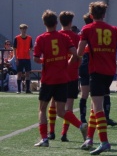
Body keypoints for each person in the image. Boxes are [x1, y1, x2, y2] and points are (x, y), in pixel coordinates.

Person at [77, 1, 117, 155]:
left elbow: (79, 52)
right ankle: (89, 139)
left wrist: (71, 64)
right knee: (95, 105)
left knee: (97, 106)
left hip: (96, 71)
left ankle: (104, 142)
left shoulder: (87, 29)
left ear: (91, 15)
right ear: (105, 14)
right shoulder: (114, 29)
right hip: (109, 72)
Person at [33, 10, 87, 147]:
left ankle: (45, 139)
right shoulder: (64, 38)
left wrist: (45, 60)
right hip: (63, 78)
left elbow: (36, 58)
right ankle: (81, 126)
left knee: (42, 109)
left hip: (48, 79)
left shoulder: (41, 38)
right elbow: (75, 55)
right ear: (56, 23)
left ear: (44, 23)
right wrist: (66, 65)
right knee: (62, 111)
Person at [47, 11, 82, 142]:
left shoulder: (54, 35)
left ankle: (51, 132)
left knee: (53, 103)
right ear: (71, 22)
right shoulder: (76, 36)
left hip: (57, 74)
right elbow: (79, 57)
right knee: (69, 106)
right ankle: (64, 134)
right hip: (72, 75)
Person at [78, 13, 93, 124]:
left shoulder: (81, 32)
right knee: (96, 95)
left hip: (83, 62)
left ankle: (82, 117)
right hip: (92, 62)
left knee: (84, 94)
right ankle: (94, 117)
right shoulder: (93, 32)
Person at [13, 24, 33, 94]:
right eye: (22, 29)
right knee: (19, 74)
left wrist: (30, 55)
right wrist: (16, 58)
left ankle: (27, 89)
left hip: (27, 58)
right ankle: (19, 89)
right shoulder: (17, 38)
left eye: (25, 29)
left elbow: (31, 48)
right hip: (20, 58)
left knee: (28, 73)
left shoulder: (29, 38)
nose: (24, 30)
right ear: (20, 29)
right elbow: (14, 49)